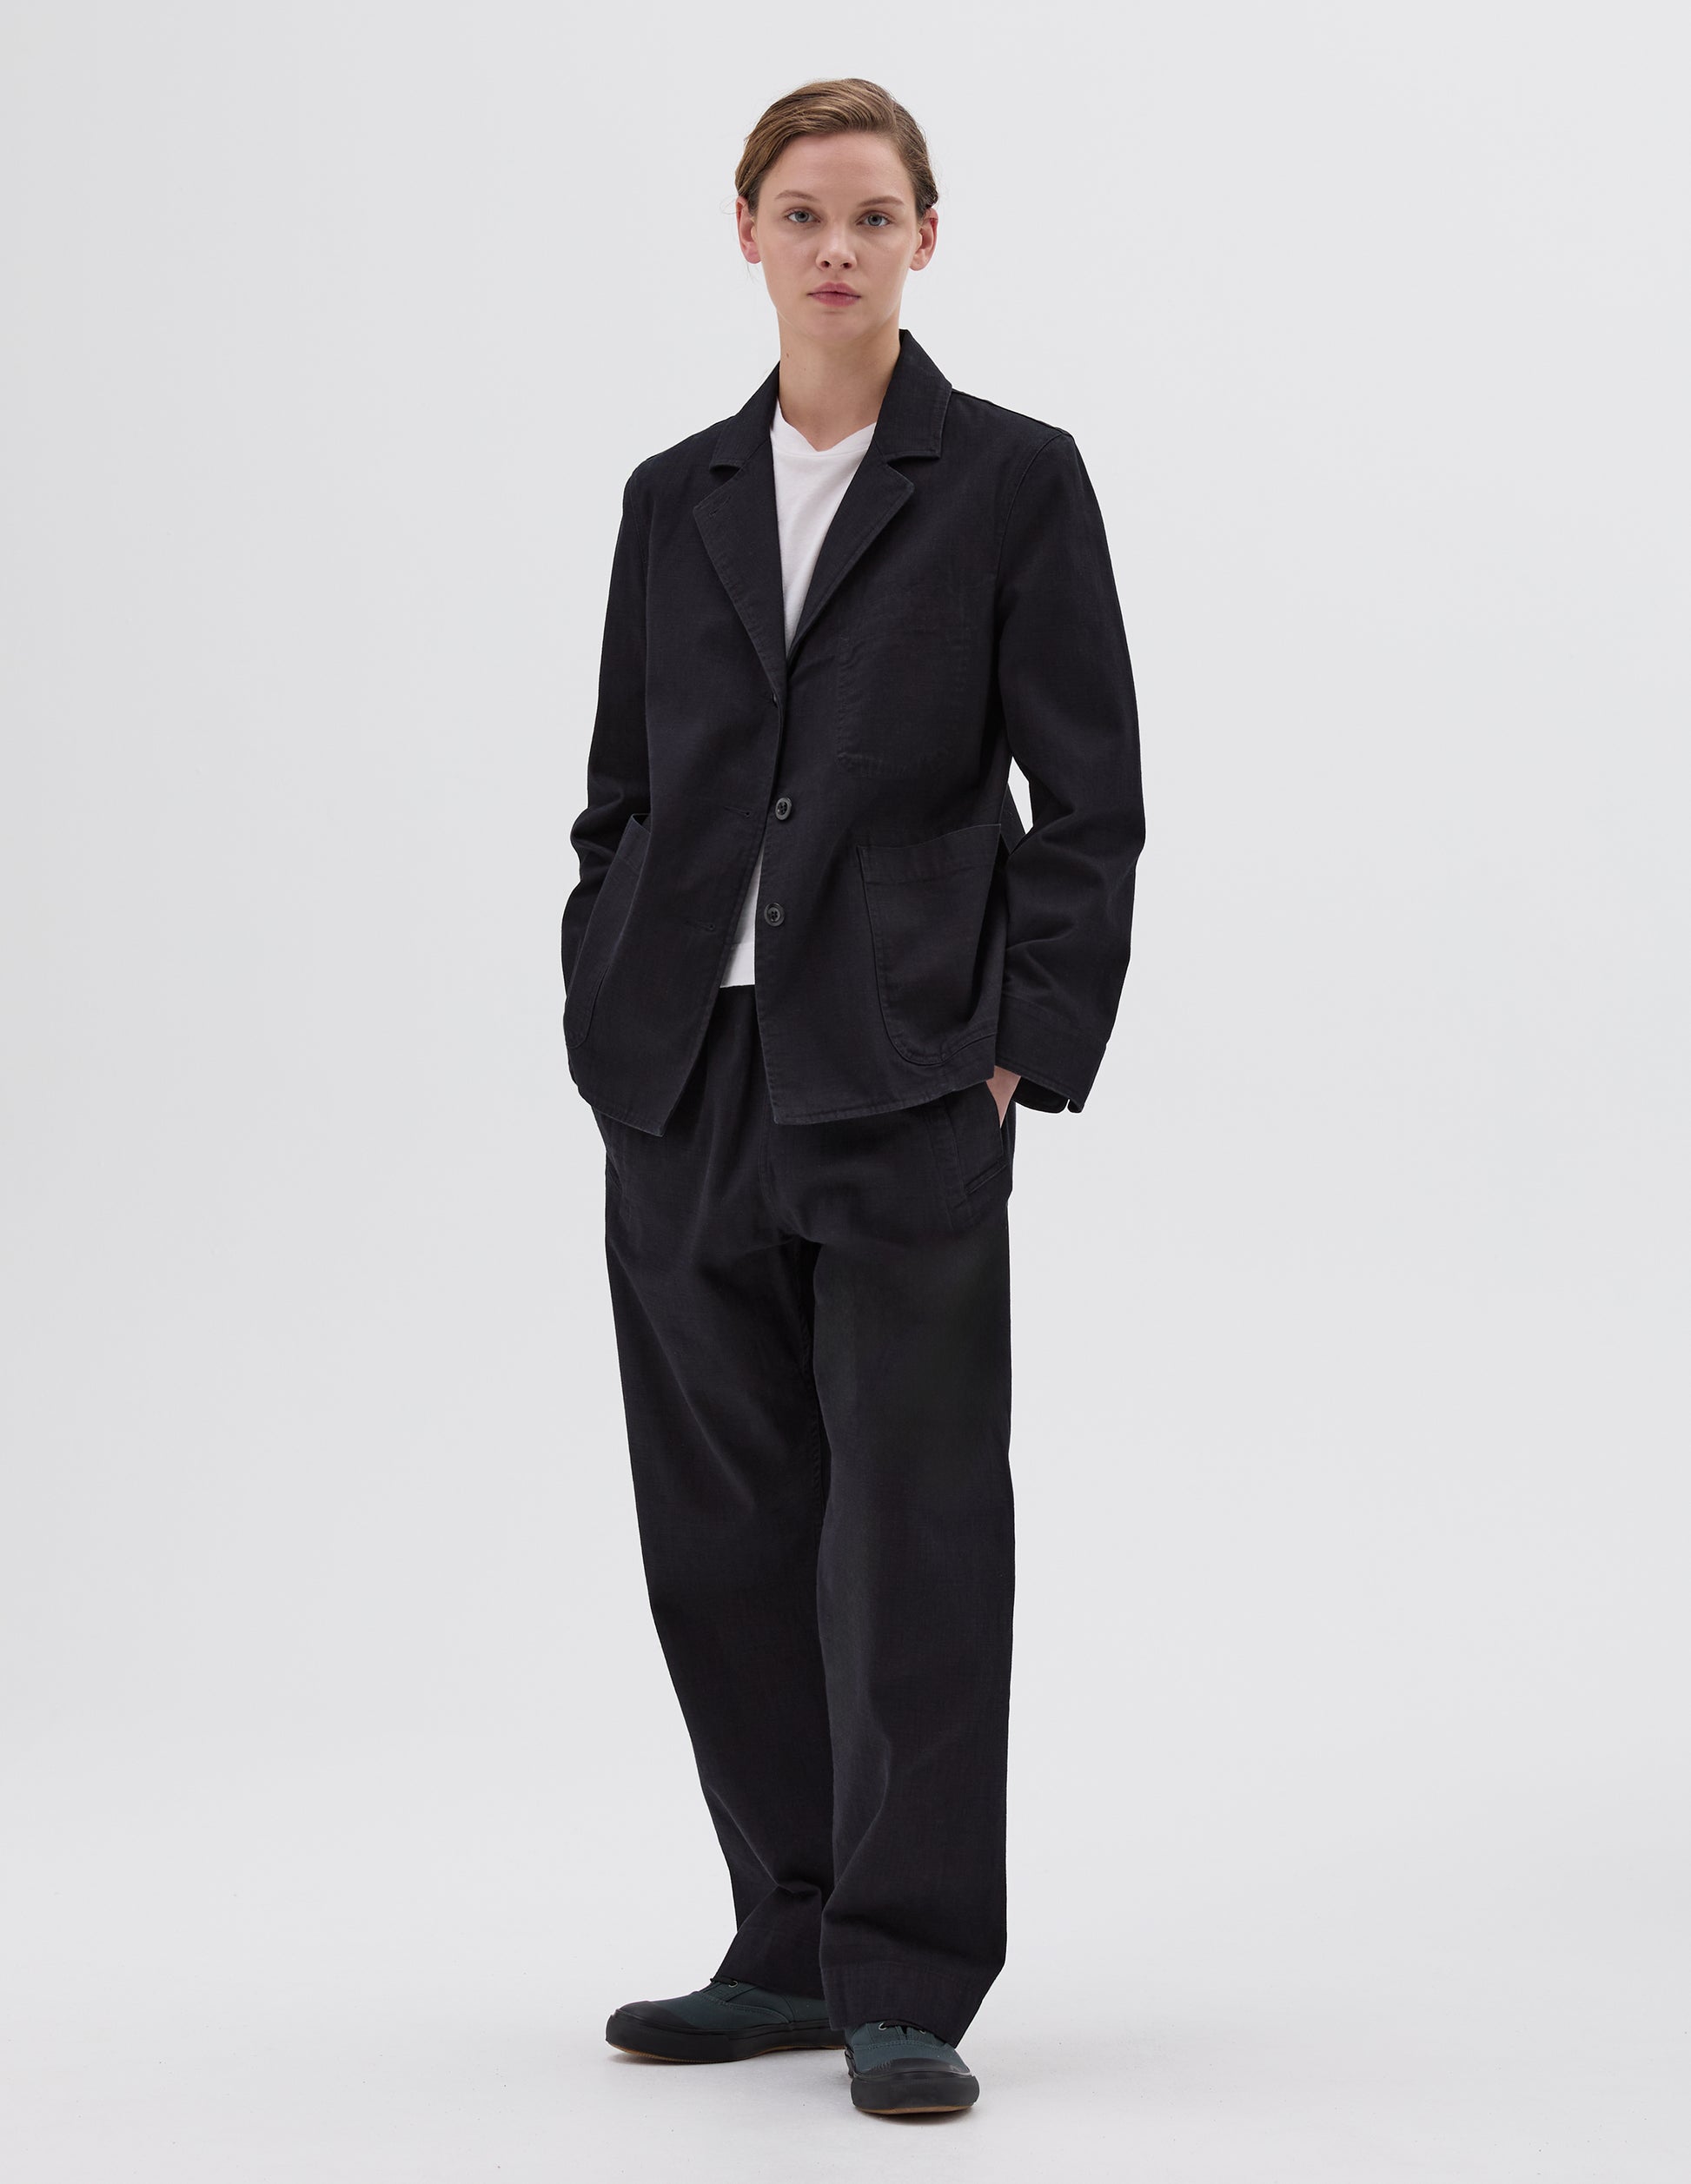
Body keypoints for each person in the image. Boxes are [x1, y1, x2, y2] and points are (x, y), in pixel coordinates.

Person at [560, 76, 1144, 2119]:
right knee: (722, 1529)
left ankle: (904, 1972)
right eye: (801, 212)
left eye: (871, 215)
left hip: (904, 1075)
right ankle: (790, 1937)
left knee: (912, 1529)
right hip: (685, 1077)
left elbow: (1090, 802)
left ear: (922, 240)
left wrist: (1018, 1052)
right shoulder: (676, 496)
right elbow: (619, 791)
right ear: (746, 234)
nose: (835, 247)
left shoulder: (1010, 482)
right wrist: (610, 998)